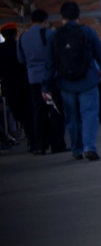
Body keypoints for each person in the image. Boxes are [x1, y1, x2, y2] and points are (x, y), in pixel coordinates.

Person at [46, 1, 101, 161]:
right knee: (89, 114)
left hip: (65, 83)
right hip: (87, 81)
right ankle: (89, 147)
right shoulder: (88, 32)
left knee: (72, 117)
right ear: (78, 16)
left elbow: (50, 63)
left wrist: (46, 85)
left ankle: (76, 149)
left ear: (61, 17)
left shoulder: (55, 35)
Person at [17, 9, 66, 155]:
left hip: (32, 79)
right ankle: (57, 144)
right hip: (50, 78)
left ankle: (40, 145)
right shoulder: (50, 34)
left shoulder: (22, 37)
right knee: (55, 110)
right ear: (45, 20)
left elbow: (20, 59)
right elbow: (57, 56)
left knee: (38, 112)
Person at [0, 23, 31, 146]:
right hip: (25, 83)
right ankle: (31, 137)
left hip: (8, 86)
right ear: (15, 34)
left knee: (16, 112)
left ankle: (27, 132)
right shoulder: (21, 45)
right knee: (28, 111)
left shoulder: (0, 49)